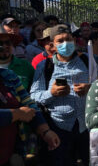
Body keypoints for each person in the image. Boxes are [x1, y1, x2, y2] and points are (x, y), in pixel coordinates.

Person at [30, 24, 91, 166]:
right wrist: (51, 93)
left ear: (74, 41)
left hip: (85, 126)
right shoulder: (45, 66)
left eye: (68, 39)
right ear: (53, 45)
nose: (65, 44)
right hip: (58, 128)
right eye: (60, 41)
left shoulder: (87, 60)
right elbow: (33, 96)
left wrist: (90, 87)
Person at [0, 25, 60, 165]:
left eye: (7, 43)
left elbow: (28, 103)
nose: (3, 47)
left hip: (11, 150)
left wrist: (45, 132)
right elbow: (21, 111)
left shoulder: (9, 76)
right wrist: (16, 114)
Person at [0, 25, 34, 91]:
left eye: (8, 43)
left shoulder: (25, 65)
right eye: (0, 43)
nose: (5, 46)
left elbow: (35, 91)